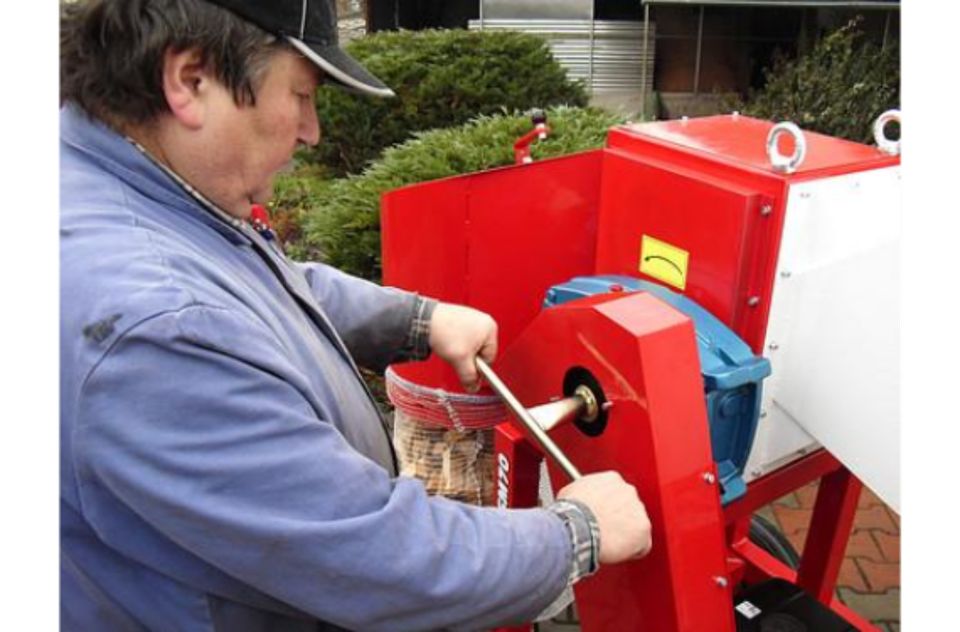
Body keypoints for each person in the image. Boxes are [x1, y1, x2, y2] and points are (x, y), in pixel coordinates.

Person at [59, 1, 653, 630]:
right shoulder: (152, 330)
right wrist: (577, 534)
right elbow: (381, 557)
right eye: (302, 94)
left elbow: (260, 285)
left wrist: (418, 320)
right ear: (191, 79)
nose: (311, 131)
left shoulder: (118, 188)